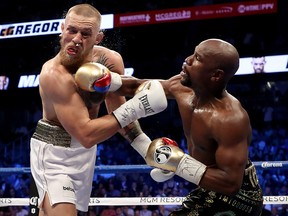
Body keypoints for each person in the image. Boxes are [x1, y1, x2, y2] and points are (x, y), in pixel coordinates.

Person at [30, 3, 167, 216]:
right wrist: (139, 106)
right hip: (54, 152)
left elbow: (120, 114)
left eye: (86, 34)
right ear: (62, 28)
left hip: (85, 154)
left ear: (98, 38)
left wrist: (148, 151)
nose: (76, 38)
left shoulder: (109, 61)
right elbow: (86, 134)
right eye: (72, 30)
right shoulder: (53, 74)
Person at [112, 38, 264, 215]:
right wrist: (105, 81)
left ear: (216, 75)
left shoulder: (230, 119)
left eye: (198, 58)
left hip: (239, 197)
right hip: (207, 189)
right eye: (193, 52)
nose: (188, 59)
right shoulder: (180, 86)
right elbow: (137, 86)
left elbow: (231, 184)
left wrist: (177, 162)